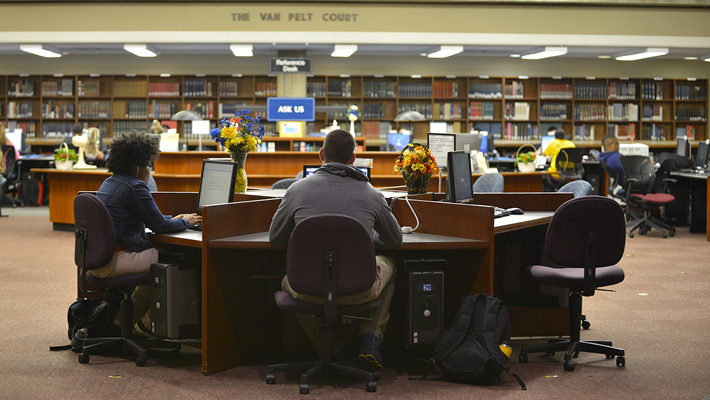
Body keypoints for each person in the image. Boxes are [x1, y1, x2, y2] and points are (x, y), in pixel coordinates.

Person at [269, 129, 402, 368]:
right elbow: (395, 241)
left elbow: (275, 237)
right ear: (353, 158)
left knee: (289, 280)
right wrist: (366, 233)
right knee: (389, 265)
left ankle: (333, 349)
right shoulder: (372, 194)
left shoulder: (296, 190)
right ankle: (370, 341)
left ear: (321, 155)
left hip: (307, 287)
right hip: (360, 288)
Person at [92, 132, 201, 333]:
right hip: (117, 259)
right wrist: (185, 221)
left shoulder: (110, 182)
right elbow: (160, 227)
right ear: (137, 168)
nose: (150, 170)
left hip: (98, 260)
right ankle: (148, 325)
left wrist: (173, 220)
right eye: (149, 165)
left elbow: (156, 221)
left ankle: (122, 321)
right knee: (179, 260)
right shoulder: (135, 187)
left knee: (158, 267)